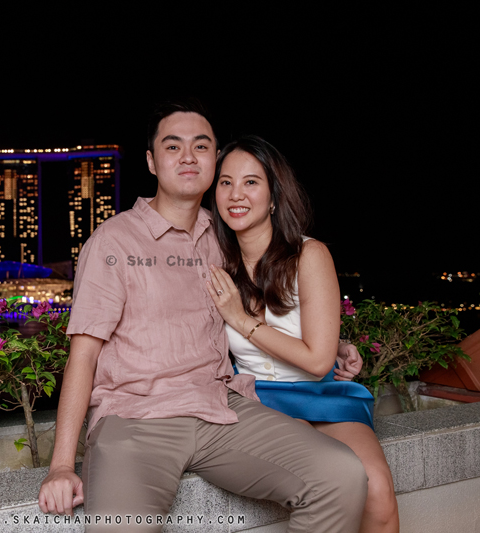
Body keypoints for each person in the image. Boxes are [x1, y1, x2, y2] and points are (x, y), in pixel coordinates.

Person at [38, 100, 368, 532]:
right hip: (136, 420)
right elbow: (82, 356)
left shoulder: (224, 236)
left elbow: (269, 301)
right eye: (173, 147)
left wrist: (333, 343)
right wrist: (62, 464)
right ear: (152, 162)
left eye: (202, 146)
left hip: (221, 409)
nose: (189, 156)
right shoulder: (113, 242)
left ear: (214, 161)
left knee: (340, 475)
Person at [205, 135, 399, 533]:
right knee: (327, 482)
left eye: (251, 182)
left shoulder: (309, 255)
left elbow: (316, 360)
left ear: (274, 195)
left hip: (319, 393)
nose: (236, 194)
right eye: (225, 182)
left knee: (377, 491)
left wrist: (242, 321)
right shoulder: (212, 260)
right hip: (255, 400)